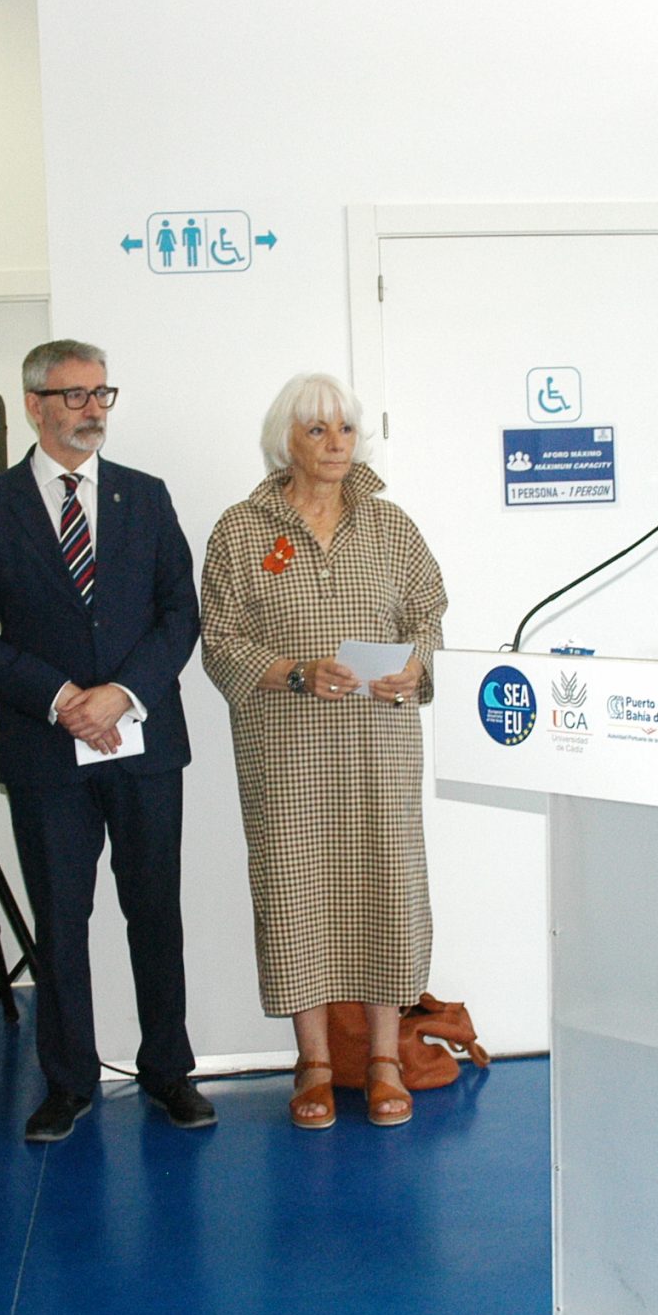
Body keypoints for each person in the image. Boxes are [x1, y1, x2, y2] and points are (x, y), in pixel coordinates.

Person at [0, 340, 213, 1143]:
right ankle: (68, 1081)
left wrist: (121, 693)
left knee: (154, 911)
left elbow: (180, 613)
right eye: (75, 395)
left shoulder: (145, 496)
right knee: (61, 920)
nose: (93, 408)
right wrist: (62, 698)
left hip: (143, 744)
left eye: (102, 393)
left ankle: (168, 1070)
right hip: (46, 746)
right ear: (34, 404)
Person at [200, 373, 445, 1129]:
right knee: (293, 892)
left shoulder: (391, 525)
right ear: (286, 442)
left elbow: (429, 615)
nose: (336, 443)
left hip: (379, 748)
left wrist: (416, 667)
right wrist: (296, 672)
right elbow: (219, 639)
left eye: (345, 429)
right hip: (286, 751)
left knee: (385, 888)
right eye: (317, 430)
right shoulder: (241, 529)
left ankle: (383, 1060)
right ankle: (312, 1062)